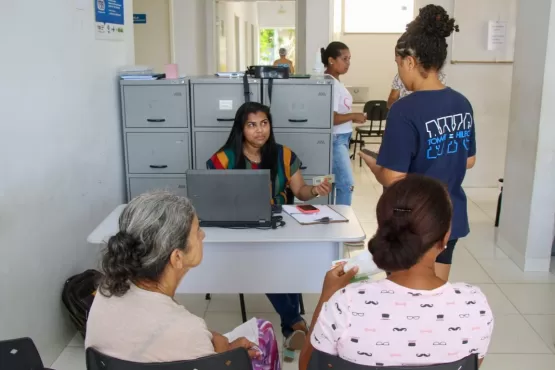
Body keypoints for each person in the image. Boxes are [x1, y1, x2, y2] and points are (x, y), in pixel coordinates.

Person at [299, 175, 494, 369]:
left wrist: (327, 296)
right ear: (445, 237)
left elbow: (307, 366)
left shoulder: (345, 304)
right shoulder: (475, 306)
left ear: (384, 230)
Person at [85, 192, 281, 370]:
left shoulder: (106, 291)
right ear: (177, 258)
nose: (202, 235)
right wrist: (227, 349)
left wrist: (213, 339)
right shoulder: (188, 330)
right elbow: (192, 345)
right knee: (263, 333)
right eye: (197, 230)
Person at [206, 102, 332, 359]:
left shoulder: (283, 155)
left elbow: (300, 192)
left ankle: (293, 326)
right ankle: (295, 324)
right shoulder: (225, 158)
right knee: (265, 261)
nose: (259, 130)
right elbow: (215, 196)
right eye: (252, 125)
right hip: (242, 228)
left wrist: (315, 191)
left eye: (264, 123)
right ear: (241, 129)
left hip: (280, 225)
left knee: (282, 259)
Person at [359, 5, 474, 281]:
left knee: (404, 299)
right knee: (436, 292)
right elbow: (469, 159)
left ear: (410, 61)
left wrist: (376, 166)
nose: (399, 72)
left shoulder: (404, 109)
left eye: (398, 64)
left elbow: (394, 177)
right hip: (450, 215)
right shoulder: (461, 102)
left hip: (413, 221)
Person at [321, 42, 366, 207]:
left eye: (349, 59)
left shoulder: (336, 82)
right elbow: (330, 118)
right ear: (331, 60)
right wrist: (353, 115)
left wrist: (352, 118)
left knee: (338, 183)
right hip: (336, 139)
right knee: (346, 184)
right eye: (344, 59)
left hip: (342, 138)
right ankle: (342, 223)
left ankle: (336, 219)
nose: (348, 63)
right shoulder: (330, 83)